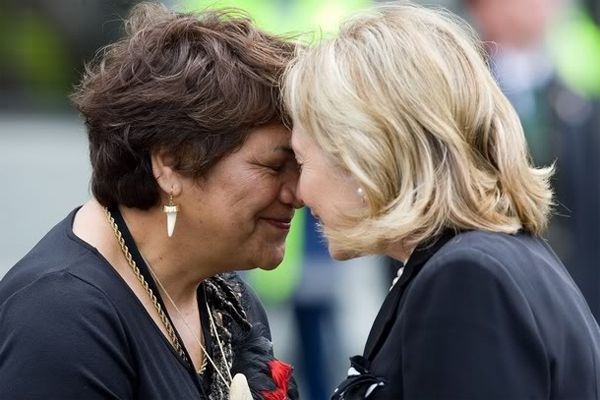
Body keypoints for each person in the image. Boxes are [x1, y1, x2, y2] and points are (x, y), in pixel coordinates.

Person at [283, 4, 600, 399]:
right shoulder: (481, 258)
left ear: (363, 155)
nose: (297, 193)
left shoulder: (467, 278)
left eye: (301, 161)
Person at [0, 3, 301, 399]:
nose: (298, 193)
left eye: (300, 165)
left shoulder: (226, 301)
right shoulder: (60, 316)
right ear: (172, 163)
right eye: (275, 166)